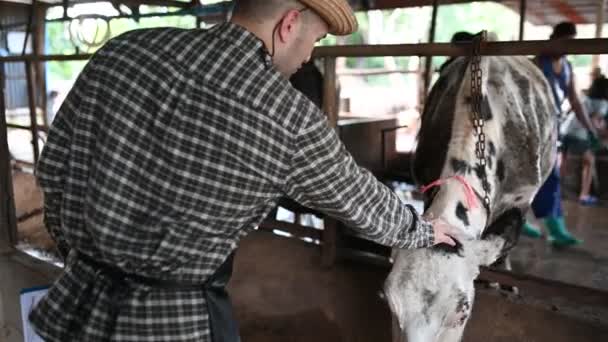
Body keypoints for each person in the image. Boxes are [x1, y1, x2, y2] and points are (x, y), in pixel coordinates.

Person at [29, 1, 459, 341]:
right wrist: (422, 230)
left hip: (77, 306)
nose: (310, 56)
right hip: (177, 325)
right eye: (315, 40)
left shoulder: (122, 53)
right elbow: (358, 200)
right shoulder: (286, 117)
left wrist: (85, 257)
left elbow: (54, 173)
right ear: (288, 25)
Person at [523, 22, 600, 245]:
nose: (570, 47)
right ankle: (521, 220)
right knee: (529, 175)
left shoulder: (567, 67)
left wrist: (590, 128)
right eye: (567, 41)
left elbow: (575, 101)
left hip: (551, 127)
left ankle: (555, 226)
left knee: (549, 175)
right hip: (531, 126)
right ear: (555, 38)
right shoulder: (537, 63)